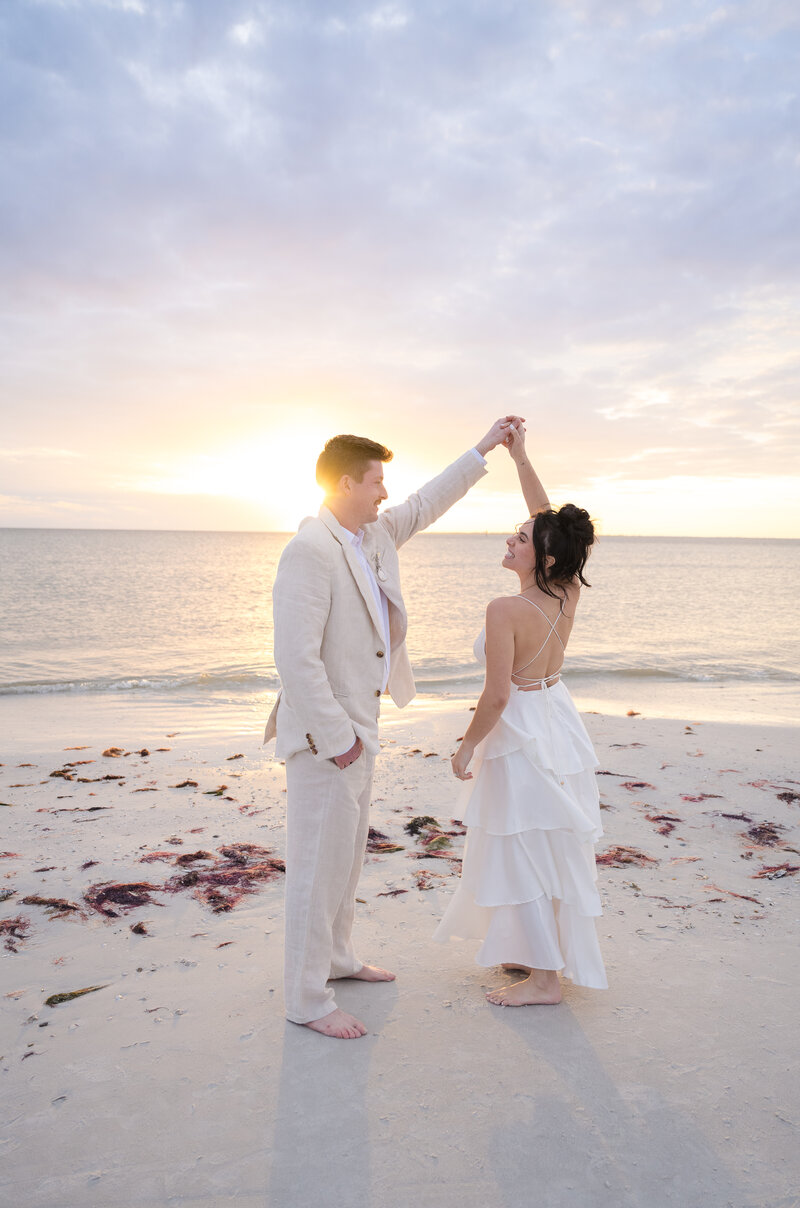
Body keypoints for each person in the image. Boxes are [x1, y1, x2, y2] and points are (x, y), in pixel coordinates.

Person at [266, 417, 524, 1038]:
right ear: (347, 484)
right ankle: (305, 998)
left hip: (364, 722)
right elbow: (294, 661)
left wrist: (484, 447)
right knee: (314, 868)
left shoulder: (374, 535)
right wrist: (340, 741)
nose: (386, 492)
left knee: (346, 858)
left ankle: (338, 959)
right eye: (377, 481)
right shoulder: (309, 551)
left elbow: (429, 499)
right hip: (327, 737)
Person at [433, 424, 607, 1005]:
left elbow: (497, 696)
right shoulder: (566, 590)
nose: (510, 539)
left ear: (545, 555)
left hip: (523, 727)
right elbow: (545, 513)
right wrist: (521, 456)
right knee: (545, 838)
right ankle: (531, 954)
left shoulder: (504, 608)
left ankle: (545, 980)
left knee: (524, 844)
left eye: (520, 537)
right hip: (557, 716)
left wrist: (464, 747)